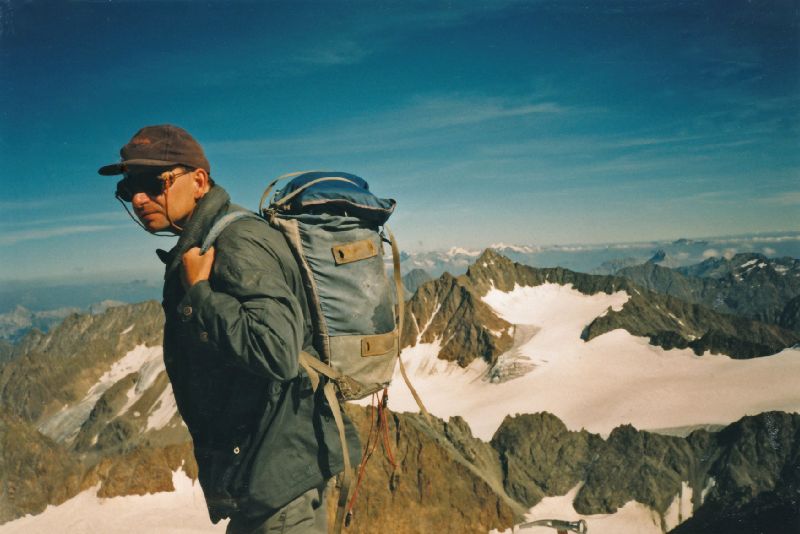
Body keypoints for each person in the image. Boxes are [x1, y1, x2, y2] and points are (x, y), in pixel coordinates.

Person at [99, 124, 360, 534]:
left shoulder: (237, 242)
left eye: (153, 182)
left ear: (199, 181)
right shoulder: (208, 241)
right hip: (261, 482)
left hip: (279, 490)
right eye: (128, 188)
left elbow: (277, 351)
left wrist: (200, 292)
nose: (137, 197)